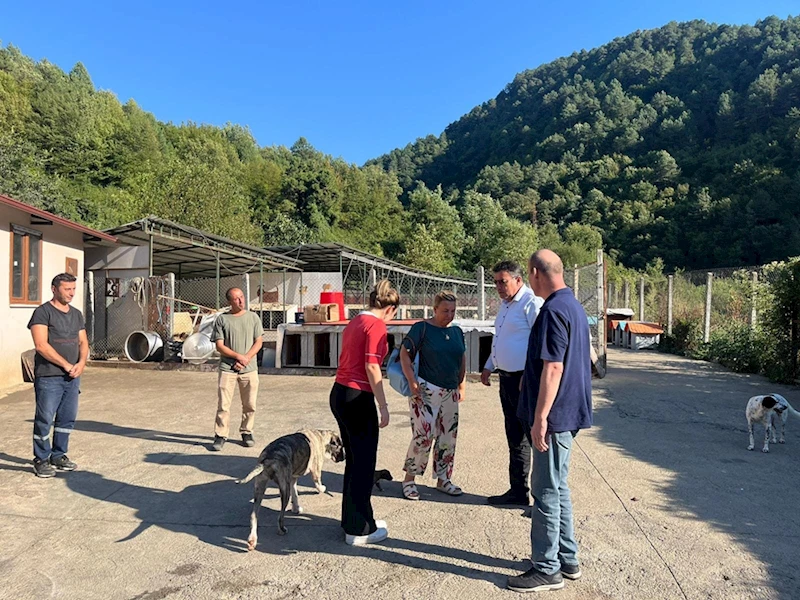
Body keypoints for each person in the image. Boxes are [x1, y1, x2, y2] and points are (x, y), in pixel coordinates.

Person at [507, 250, 593, 593]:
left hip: (555, 417)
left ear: (533, 273)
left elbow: (553, 367)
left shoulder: (553, 311)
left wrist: (540, 418)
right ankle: (567, 559)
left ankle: (546, 568)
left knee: (544, 491)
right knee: (558, 487)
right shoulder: (572, 306)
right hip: (567, 413)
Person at [330, 280, 400, 545]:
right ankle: (359, 530)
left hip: (340, 392)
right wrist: (383, 405)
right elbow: (372, 366)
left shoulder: (356, 321)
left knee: (355, 462)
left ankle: (354, 519)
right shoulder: (376, 325)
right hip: (358, 397)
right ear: (390, 308)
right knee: (364, 464)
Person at [481, 260, 544, 506]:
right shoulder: (506, 306)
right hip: (507, 380)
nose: (498, 286)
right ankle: (518, 491)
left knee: (535, 438)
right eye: (495, 281)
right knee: (515, 437)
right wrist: (488, 366)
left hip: (523, 381)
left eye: (502, 281)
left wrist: (530, 378)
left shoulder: (531, 303)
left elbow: (540, 345)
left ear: (518, 280)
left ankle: (542, 499)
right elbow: (501, 340)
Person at [399, 291, 466, 501]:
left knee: (448, 436)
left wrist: (461, 385)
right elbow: (404, 354)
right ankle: (409, 479)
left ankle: (443, 479)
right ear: (435, 309)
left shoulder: (456, 331)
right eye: (445, 310)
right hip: (426, 390)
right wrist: (412, 381)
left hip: (450, 390)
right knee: (424, 435)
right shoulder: (422, 328)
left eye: (453, 311)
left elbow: (461, 358)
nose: (450, 315)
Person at [28, 273, 89, 478]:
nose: (71, 293)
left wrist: (81, 364)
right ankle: (41, 459)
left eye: (73, 289)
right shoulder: (42, 313)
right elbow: (41, 345)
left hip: (72, 377)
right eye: (67, 289)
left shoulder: (76, 314)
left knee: (67, 418)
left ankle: (59, 455)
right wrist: (66, 364)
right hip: (49, 376)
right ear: (54, 289)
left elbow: (83, 342)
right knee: (45, 418)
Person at [210, 287, 263, 451]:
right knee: (224, 405)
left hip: (249, 369)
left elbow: (258, 342)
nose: (240, 301)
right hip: (228, 369)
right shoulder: (222, 319)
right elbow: (220, 346)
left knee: (250, 404)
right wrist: (237, 357)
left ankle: (247, 431)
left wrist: (245, 358)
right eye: (236, 298)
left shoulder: (253, 318)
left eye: (242, 297)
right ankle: (220, 434)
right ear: (229, 302)